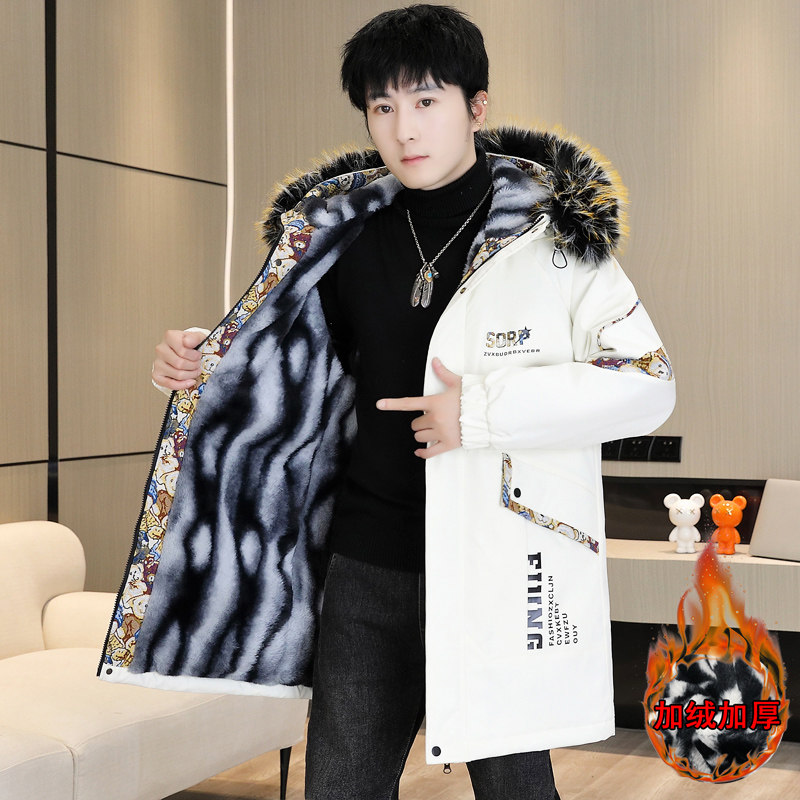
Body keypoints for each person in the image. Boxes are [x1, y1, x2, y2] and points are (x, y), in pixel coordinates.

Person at [100, 5, 676, 798]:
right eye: (382, 106)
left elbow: (647, 382)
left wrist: (479, 412)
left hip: (496, 565)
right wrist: (200, 358)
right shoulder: (342, 232)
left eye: (426, 101)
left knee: (517, 790)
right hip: (365, 563)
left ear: (476, 106)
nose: (403, 128)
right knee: (341, 788)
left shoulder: (554, 239)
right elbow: (293, 364)